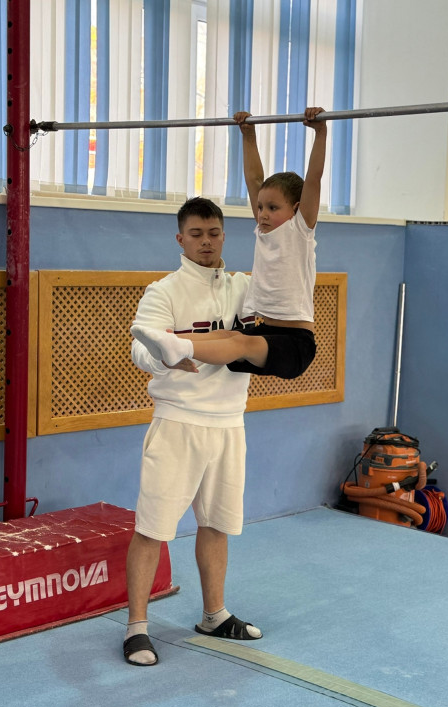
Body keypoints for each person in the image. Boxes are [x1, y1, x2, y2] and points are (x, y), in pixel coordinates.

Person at [123, 197, 262, 667]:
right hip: (178, 422)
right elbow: (140, 347)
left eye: (214, 233)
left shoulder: (245, 288)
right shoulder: (164, 291)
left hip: (229, 422)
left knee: (217, 524)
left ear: (224, 235)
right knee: (153, 528)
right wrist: (165, 355)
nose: (206, 242)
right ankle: (136, 628)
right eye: (197, 234)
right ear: (180, 239)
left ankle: (213, 614)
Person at [131, 106, 327, 381]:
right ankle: (171, 342)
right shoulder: (264, 230)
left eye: (272, 208)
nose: (262, 214)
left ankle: (182, 347)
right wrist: (248, 136)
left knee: (239, 343)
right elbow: (254, 179)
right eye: (260, 207)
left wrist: (320, 132)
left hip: (296, 342)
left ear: (296, 208)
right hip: (267, 331)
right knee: (226, 335)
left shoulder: (300, 230)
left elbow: (314, 179)